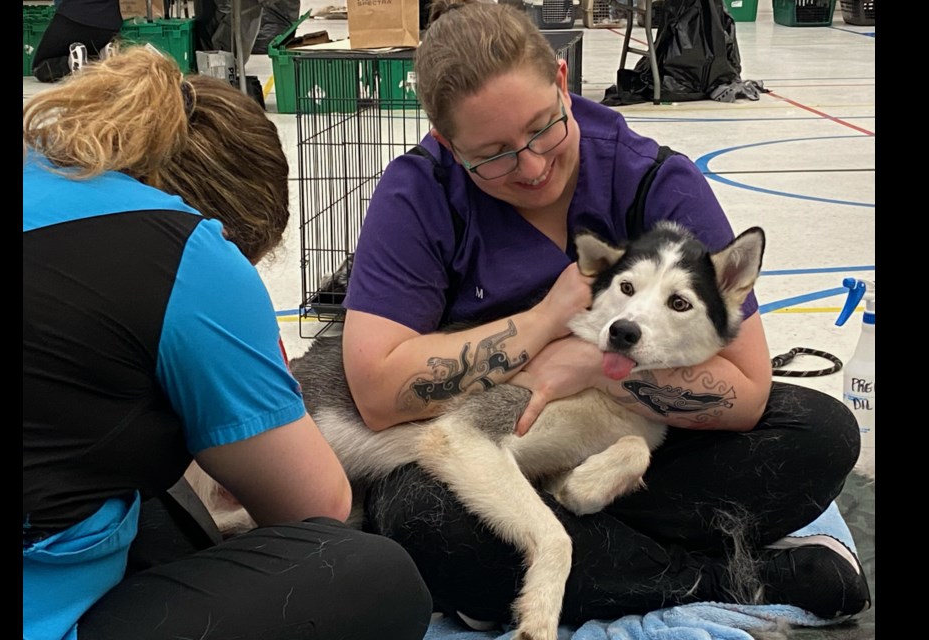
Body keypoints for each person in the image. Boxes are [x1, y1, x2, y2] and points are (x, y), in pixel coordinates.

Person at [340, 0, 870, 629]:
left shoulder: (651, 180)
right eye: (494, 156)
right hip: (481, 446)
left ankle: (582, 563)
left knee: (820, 433)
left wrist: (595, 365)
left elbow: (749, 389)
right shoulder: (418, 194)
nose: (532, 167)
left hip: (607, 433)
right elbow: (376, 394)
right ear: (448, 146)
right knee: (422, 520)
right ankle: (728, 575)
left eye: (543, 129)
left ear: (563, 81)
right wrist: (545, 319)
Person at [23, 46, 432, 640]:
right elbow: (316, 510)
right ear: (228, 228)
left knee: (161, 501)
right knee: (366, 571)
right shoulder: (186, 248)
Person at [30, 0, 123, 83]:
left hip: (72, 18)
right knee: (90, 50)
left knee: (39, 66)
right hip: (109, 25)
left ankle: (69, 65)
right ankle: (102, 57)